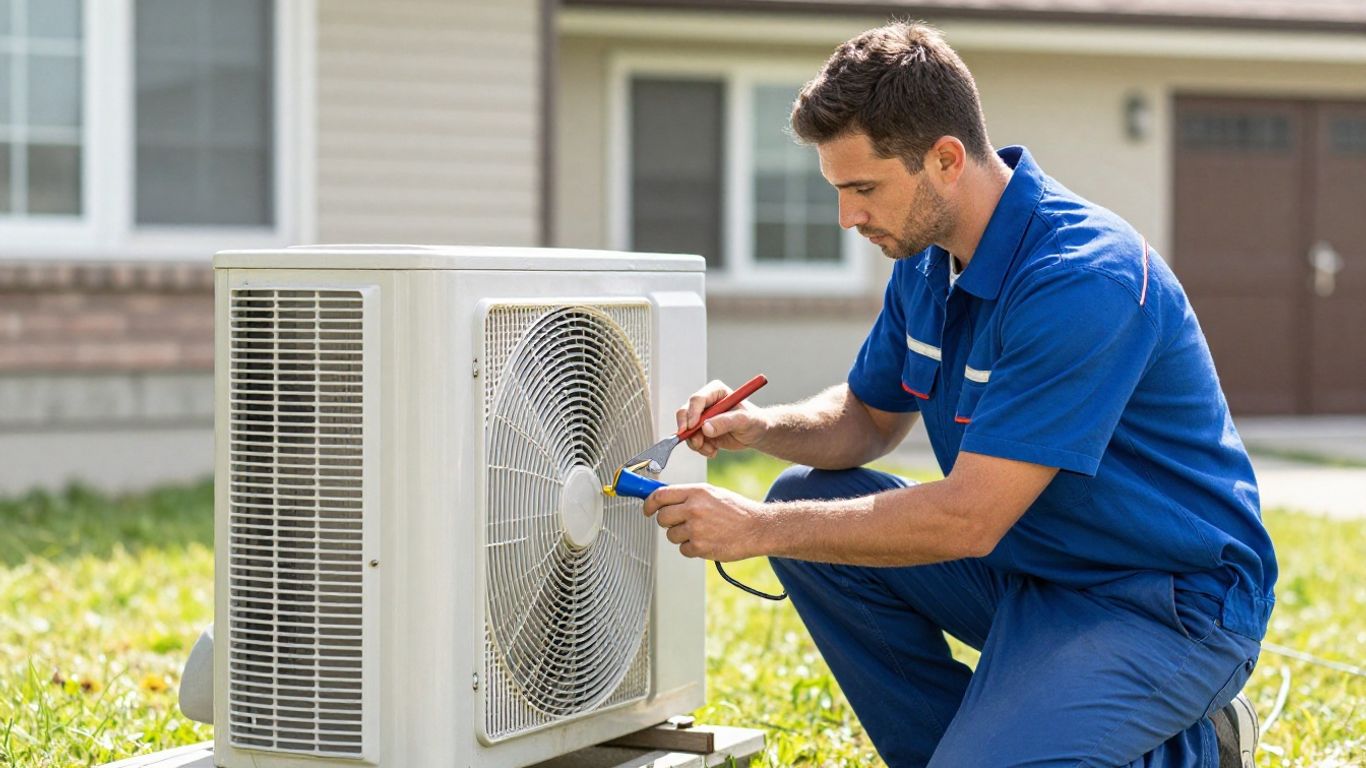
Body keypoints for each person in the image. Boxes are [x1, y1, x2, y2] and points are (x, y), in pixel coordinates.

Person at [643, 21, 1275, 768]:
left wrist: (755, 532)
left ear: (945, 159)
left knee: (783, 521)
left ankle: (1197, 744)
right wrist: (757, 426)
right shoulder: (927, 258)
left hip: (1162, 602)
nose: (848, 218)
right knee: (798, 496)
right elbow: (867, 418)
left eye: (863, 189)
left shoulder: (1082, 280)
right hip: (1031, 569)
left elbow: (968, 518)